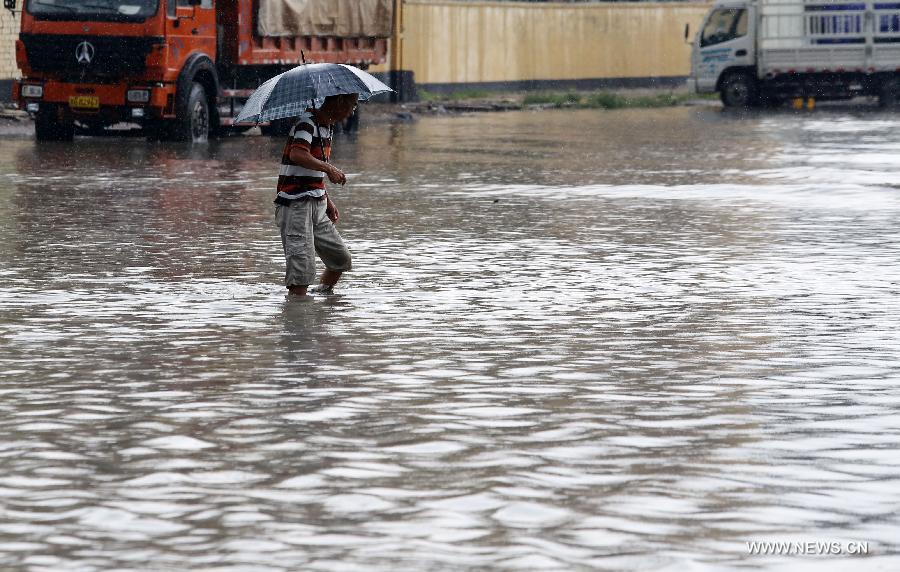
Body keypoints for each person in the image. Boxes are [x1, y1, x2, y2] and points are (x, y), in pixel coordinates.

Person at [274, 93, 358, 297]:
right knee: (301, 272)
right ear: (339, 102)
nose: (353, 111)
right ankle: (298, 317)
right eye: (352, 105)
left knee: (340, 259)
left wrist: (327, 200)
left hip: (317, 202)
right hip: (295, 205)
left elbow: (313, 171)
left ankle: (322, 297)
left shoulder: (327, 127)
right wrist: (329, 169)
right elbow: (298, 154)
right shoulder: (306, 123)